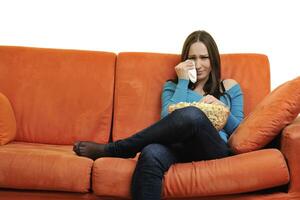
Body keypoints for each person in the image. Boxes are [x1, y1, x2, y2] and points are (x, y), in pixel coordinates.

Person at [73, 30, 244, 200]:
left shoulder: (228, 87)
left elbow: (240, 132)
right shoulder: (173, 86)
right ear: (185, 61)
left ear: (213, 59)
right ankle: (123, 149)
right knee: (150, 152)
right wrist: (183, 80)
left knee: (194, 114)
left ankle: (118, 149)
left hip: (212, 147)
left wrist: (224, 111)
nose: (198, 65)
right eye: (192, 58)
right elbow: (168, 120)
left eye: (204, 57)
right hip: (178, 147)